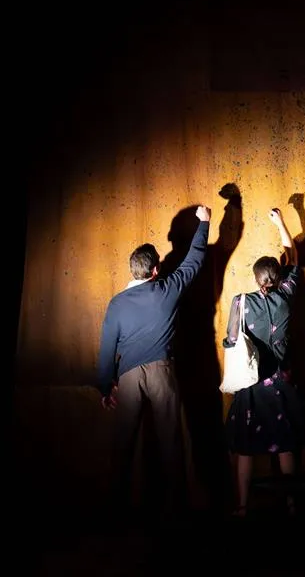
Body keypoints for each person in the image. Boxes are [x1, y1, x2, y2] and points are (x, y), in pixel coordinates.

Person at [97, 204, 212, 521]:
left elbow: (107, 347)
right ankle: (175, 512)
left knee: (123, 445)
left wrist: (105, 386)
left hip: (128, 376)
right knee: (170, 441)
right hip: (162, 371)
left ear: (133, 270)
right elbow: (194, 260)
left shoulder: (116, 304)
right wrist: (204, 223)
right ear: (155, 270)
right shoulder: (166, 289)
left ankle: (116, 512)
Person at [222, 207, 305, 518]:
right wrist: (280, 222)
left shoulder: (241, 302)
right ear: (279, 277)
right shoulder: (286, 297)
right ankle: (292, 504)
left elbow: (231, 339)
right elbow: (293, 256)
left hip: (251, 384)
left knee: (245, 446)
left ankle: (243, 506)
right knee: (285, 444)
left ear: (256, 279)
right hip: (280, 383)